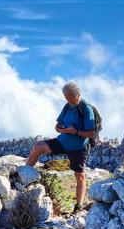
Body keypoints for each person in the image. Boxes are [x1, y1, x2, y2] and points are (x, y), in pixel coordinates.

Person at [26, 81, 95, 212]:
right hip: (62, 141)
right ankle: (24, 175)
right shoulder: (67, 106)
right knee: (38, 147)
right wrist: (61, 128)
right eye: (67, 99)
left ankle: (78, 206)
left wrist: (74, 131)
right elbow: (57, 126)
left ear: (78, 95)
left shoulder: (86, 109)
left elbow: (91, 133)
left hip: (78, 147)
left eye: (72, 99)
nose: (70, 101)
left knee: (79, 176)